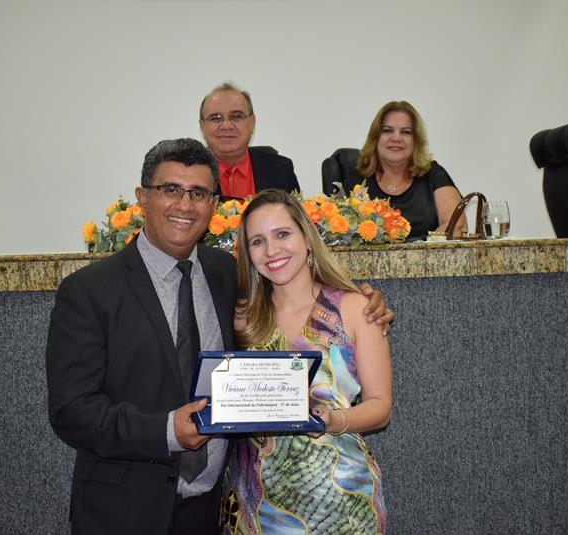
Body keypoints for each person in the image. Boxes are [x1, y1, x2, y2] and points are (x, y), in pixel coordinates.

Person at [46, 139, 392, 535]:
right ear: (142, 197)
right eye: (170, 189)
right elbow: (71, 410)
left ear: (213, 204)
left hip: (218, 511)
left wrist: (364, 302)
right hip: (125, 511)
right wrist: (167, 431)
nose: (185, 204)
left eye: (198, 193)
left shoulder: (225, 276)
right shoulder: (89, 291)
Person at [222, 189, 392, 534]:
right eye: (257, 241)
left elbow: (380, 407)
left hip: (341, 502)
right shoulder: (241, 318)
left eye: (282, 234)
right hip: (255, 505)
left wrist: (332, 420)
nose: (272, 250)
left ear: (307, 238)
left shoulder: (354, 309)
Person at [346, 100, 465, 240]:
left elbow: (456, 225)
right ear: (375, 138)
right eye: (387, 130)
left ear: (416, 141)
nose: (396, 138)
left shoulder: (433, 174)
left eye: (406, 132)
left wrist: (424, 249)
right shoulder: (356, 179)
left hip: (426, 253)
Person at [199, 82, 300, 200]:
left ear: (252, 123)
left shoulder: (281, 169)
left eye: (236, 116)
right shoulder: (188, 174)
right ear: (202, 126)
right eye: (215, 118)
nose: (226, 126)